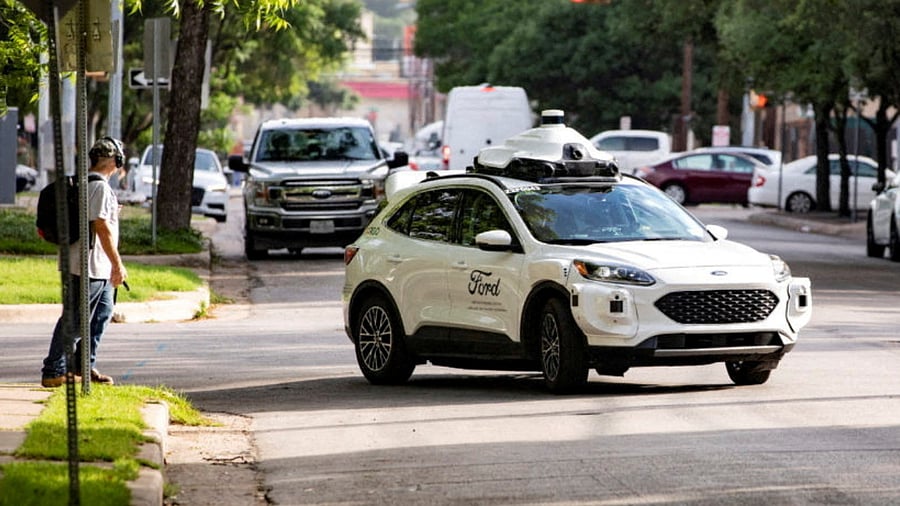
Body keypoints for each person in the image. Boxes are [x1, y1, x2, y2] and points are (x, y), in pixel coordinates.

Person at [41, 137, 128, 388]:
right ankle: (53, 370)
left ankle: (83, 365)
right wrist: (117, 264)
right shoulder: (98, 187)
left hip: (97, 265)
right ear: (115, 160)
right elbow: (100, 226)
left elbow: (98, 218)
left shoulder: (89, 185)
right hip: (88, 265)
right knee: (77, 319)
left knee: (102, 314)